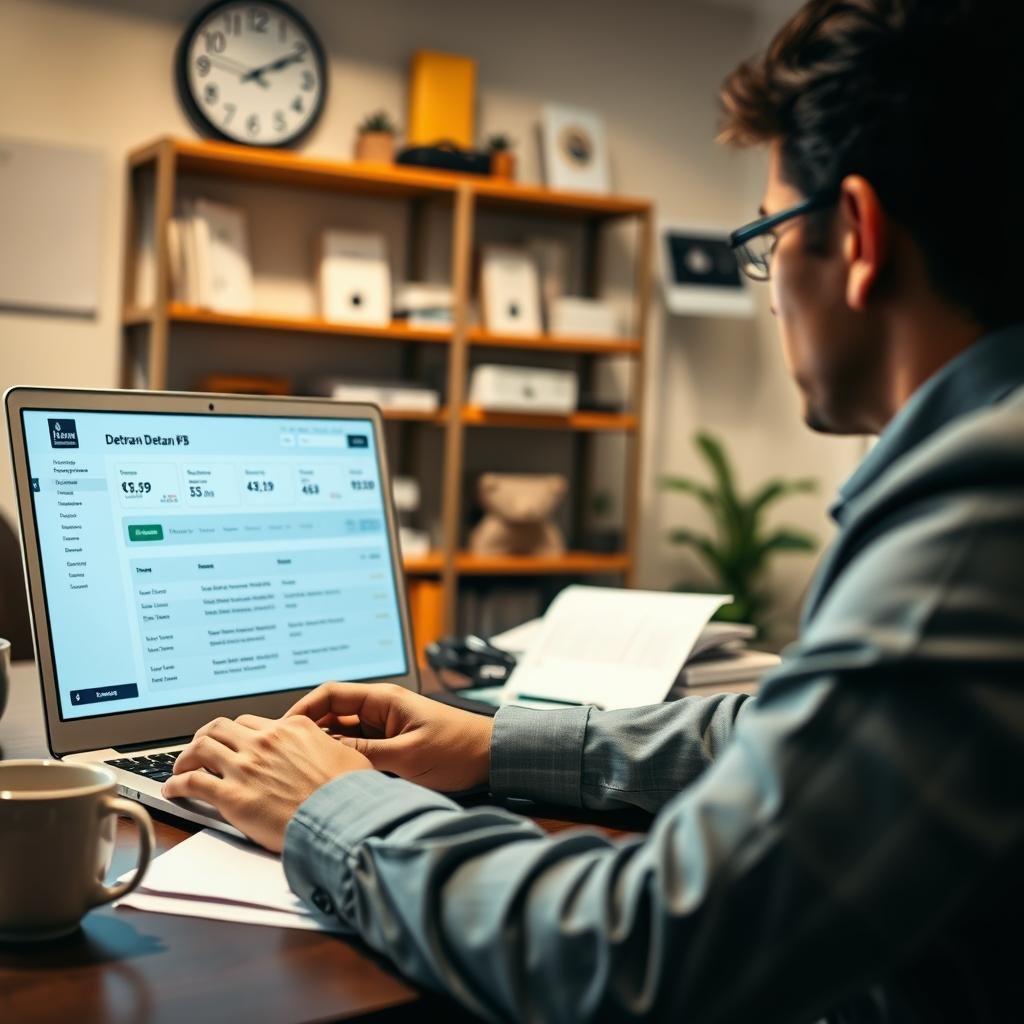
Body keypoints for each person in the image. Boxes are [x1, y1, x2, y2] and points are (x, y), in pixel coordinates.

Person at [163, 1, 1024, 1019]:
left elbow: (636, 948)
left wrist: (328, 806)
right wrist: (496, 743)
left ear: (858, 236)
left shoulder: (980, 509)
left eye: (767, 235)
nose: (768, 284)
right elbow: (792, 732)